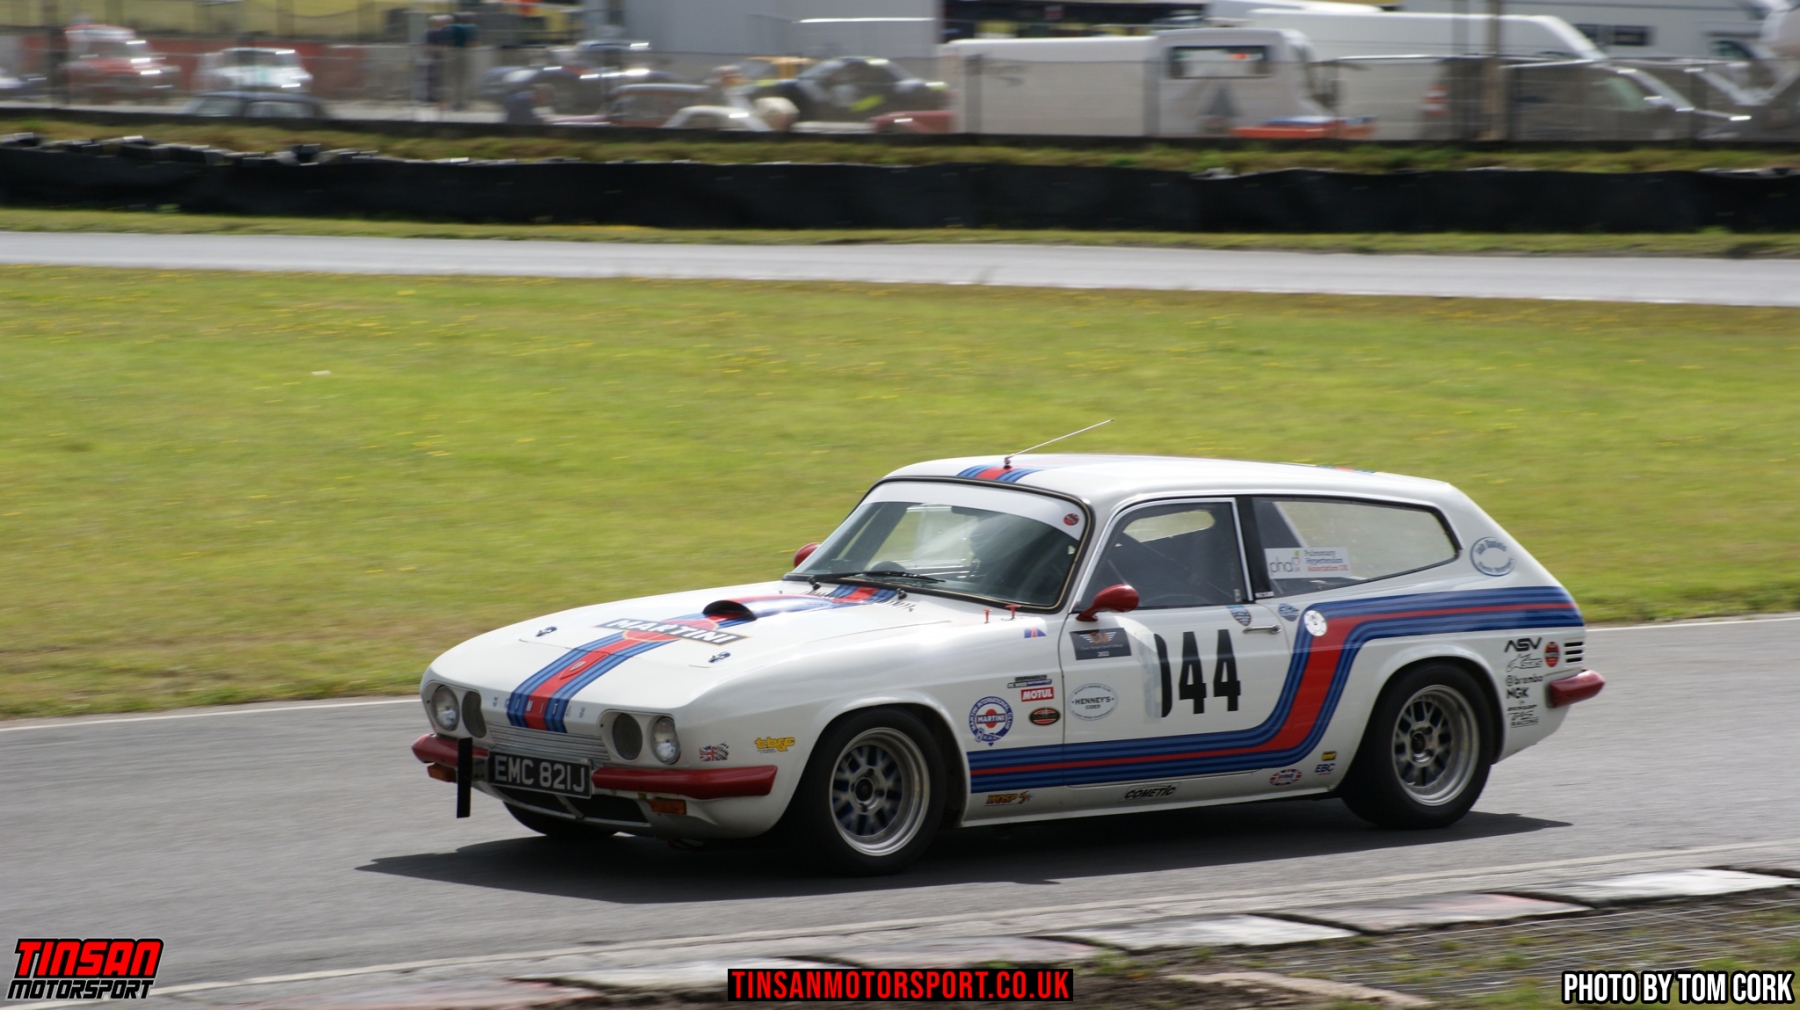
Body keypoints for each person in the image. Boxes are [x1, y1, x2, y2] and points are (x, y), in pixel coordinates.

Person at [445, 13, 478, 111]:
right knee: (463, 79)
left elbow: (448, 41)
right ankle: (463, 102)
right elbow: (470, 42)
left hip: (453, 53)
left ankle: (454, 102)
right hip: (464, 53)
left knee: (453, 80)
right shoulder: (467, 27)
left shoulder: (450, 27)